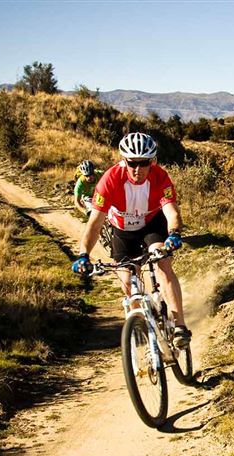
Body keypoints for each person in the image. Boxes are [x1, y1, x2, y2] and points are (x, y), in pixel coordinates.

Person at [71, 132, 190, 347]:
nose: (138, 169)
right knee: (127, 280)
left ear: (152, 162)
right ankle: (143, 328)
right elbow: (95, 224)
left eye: (144, 163)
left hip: (152, 225)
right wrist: (83, 255)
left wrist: (174, 233)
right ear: (124, 160)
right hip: (122, 231)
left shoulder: (160, 177)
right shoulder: (110, 180)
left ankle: (180, 326)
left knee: (163, 263)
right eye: (132, 163)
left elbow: (172, 212)